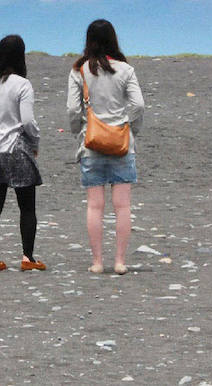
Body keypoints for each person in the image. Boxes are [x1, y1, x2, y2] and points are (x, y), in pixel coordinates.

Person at [66, 19, 144, 275]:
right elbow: (138, 105)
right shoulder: (125, 69)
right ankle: (120, 261)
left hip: (92, 143)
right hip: (122, 142)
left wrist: (78, 130)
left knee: (94, 205)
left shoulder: (79, 70)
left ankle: (98, 262)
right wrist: (130, 127)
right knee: (122, 205)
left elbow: (72, 109)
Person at [0, 34, 44, 272]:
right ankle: (28, 257)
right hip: (14, 149)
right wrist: (35, 142)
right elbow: (27, 121)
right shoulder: (22, 84)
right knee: (27, 207)